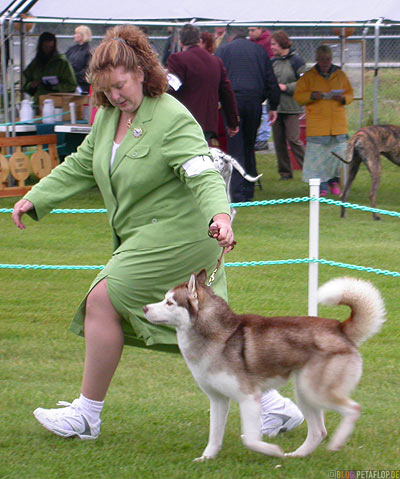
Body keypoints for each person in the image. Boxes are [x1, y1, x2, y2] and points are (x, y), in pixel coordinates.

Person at [12, 24, 235, 440]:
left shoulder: (171, 116)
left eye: (120, 85)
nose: (114, 95)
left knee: (103, 299)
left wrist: (220, 215)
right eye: (105, 89)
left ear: (141, 72)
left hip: (184, 234)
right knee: (206, 328)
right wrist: (36, 196)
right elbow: (82, 165)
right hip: (144, 237)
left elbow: (203, 173)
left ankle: (86, 415)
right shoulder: (109, 116)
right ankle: (274, 408)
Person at [216, 29, 281, 202]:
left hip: (232, 103)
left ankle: (237, 192)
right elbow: (270, 80)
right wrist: (273, 105)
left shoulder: (223, 51)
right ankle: (249, 188)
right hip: (254, 102)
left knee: (235, 147)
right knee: (249, 145)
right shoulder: (259, 51)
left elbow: (217, 78)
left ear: (230, 38)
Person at [294, 44, 354, 196]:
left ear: (331, 59)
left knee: (338, 156)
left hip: (338, 125)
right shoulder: (308, 76)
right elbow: (298, 97)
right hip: (318, 126)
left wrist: (343, 98)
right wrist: (312, 96)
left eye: (327, 59)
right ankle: (321, 186)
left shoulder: (340, 75)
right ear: (317, 60)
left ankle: (334, 181)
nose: (325, 62)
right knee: (318, 160)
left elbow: (350, 94)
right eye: (321, 59)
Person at [167, 24, 239, 143]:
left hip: (184, 122)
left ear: (181, 42)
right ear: (199, 41)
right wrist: (233, 122)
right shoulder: (216, 61)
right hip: (207, 123)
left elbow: (171, 88)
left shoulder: (177, 59)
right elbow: (227, 93)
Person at [270, 30, 306, 180]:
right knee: (278, 142)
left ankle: (308, 169)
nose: (271, 47)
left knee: (293, 139)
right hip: (276, 108)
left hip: (291, 107)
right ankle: (285, 173)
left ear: (282, 44)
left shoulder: (297, 61)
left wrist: (286, 87)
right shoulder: (272, 62)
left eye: (273, 44)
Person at [23, 32, 77, 106]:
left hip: (57, 105)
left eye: (50, 47)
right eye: (45, 47)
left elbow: (72, 85)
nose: (47, 50)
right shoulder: (35, 63)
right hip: (38, 103)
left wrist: (54, 87)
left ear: (54, 46)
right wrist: (31, 85)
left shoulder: (62, 62)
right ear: (40, 46)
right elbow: (24, 82)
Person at [248, 26, 273, 151]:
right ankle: (256, 137)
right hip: (254, 80)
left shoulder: (267, 42)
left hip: (263, 80)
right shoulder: (251, 43)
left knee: (265, 110)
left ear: (261, 29)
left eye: (253, 30)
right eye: (249, 30)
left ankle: (263, 139)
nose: (250, 33)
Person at [65, 25, 92, 94]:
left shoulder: (89, 51)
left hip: (82, 85)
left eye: (77, 34)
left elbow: (88, 68)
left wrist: (75, 76)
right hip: (69, 84)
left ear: (83, 35)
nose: (75, 35)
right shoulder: (71, 49)